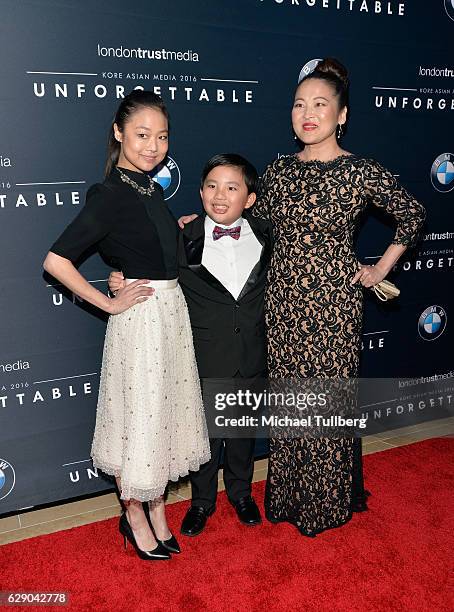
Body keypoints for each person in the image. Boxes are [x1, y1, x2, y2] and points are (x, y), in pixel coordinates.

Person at [251, 58, 426, 536]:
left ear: (342, 114)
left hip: (333, 307)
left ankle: (325, 505)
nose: (308, 113)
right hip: (283, 302)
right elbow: (251, 227)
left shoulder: (359, 171)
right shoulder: (278, 170)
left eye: (320, 104)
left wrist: (378, 269)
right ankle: (288, 498)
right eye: (299, 104)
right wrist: (197, 224)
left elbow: (412, 214)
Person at [43, 90, 210, 559]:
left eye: (161, 137)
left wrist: (173, 233)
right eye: (141, 135)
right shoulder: (111, 192)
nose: (153, 146)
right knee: (138, 420)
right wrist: (109, 303)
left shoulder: (149, 187)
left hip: (170, 316)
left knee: (161, 418)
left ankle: (157, 507)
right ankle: (134, 513)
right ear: (118, 134)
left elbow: (144, 248)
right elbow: (56, 260)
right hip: (140, 324)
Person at [110, 154, 273, 536]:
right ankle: (202, 502)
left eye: (232, 188)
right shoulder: (184, 237)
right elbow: (150, 267)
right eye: (212, 186)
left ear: (249, 198)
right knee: (203, 436)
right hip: (200, 355)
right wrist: (120, 279)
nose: (220, 196)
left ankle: (241, 494)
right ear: (200, 193)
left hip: (252, 353)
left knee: (241, 433)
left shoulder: (269, 234)